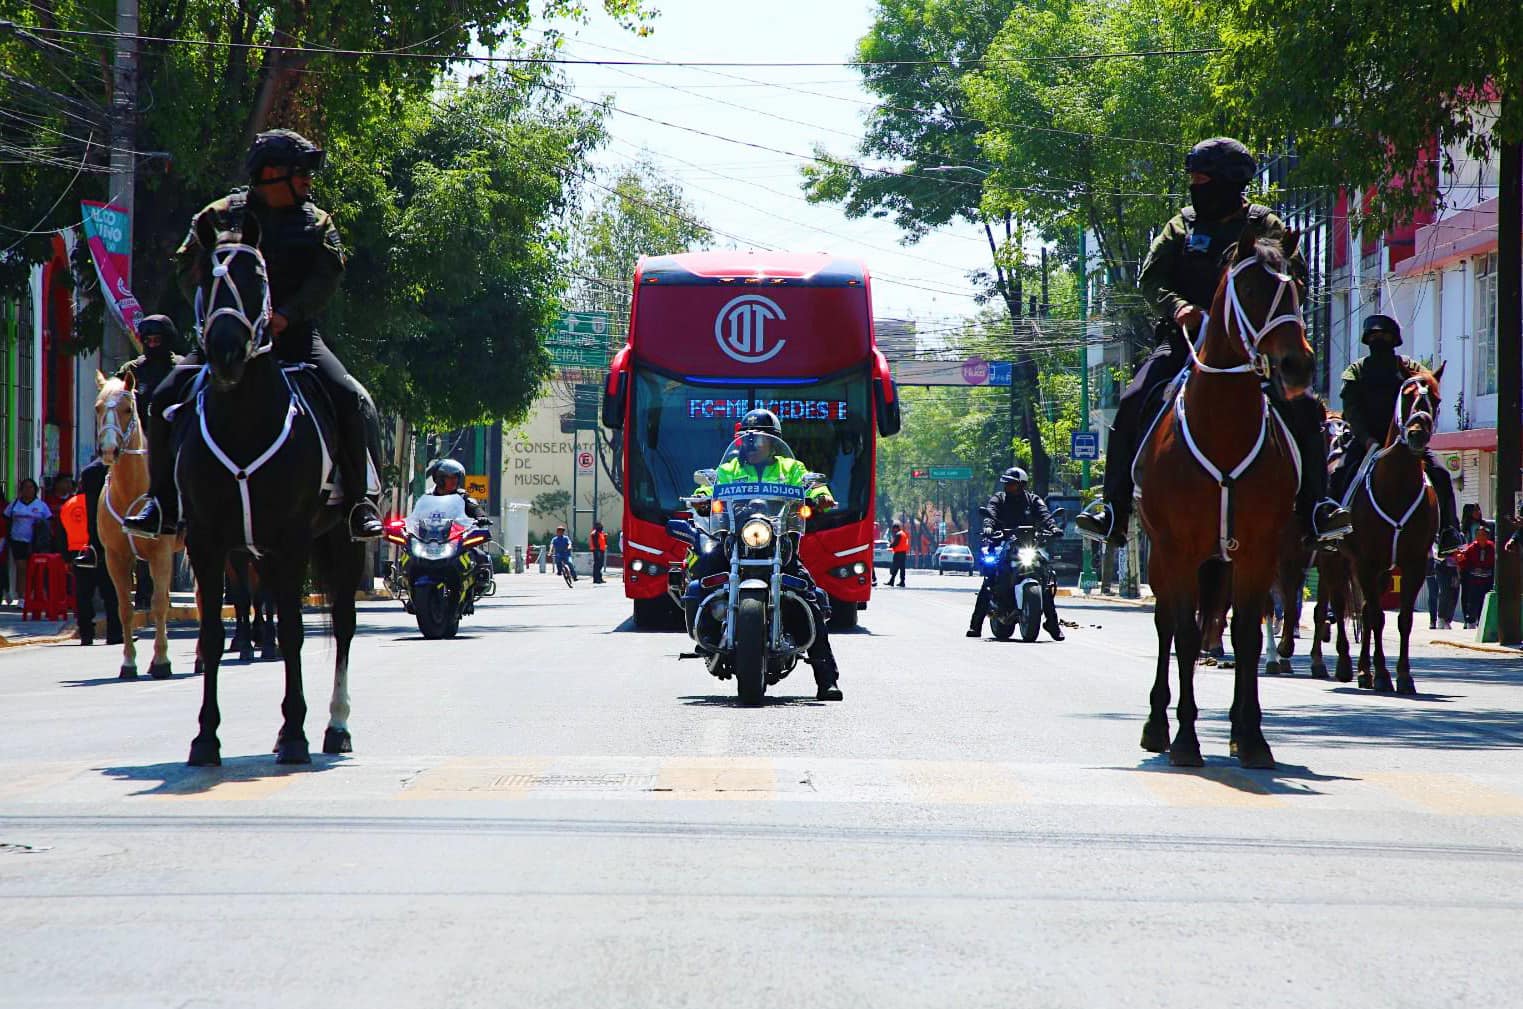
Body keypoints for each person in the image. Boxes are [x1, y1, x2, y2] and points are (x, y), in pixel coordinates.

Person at [1077, 136, 1350, 549]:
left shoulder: (1266, 226)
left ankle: (1316, 507)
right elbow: (1151, 280)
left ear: (1227, 182)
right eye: (1193, 178)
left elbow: (1295, 281)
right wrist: (1180, 307)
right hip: (1185, 341)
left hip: (1255, 348)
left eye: (1202, 178)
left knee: (1305, 407)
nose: (1194, 185)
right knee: (1134, 398)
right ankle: (1113, 508)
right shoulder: (1181, 225)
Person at [125, 128, 383, 542]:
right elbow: (186, 267)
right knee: (160, 402)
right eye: (300, 173)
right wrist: (217, 314)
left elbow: (326, 278)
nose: (307, 182)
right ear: (271, 172)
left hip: (293, 338)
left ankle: (357, 503)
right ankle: (161, 504)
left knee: (350, 397)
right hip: (224, 341)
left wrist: (286, 314)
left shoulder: (317, 222)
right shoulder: (216, 216)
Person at [685, 408, 844, 701]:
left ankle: (826, 679)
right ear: (741, 442)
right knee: (702, 574)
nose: (755, 444)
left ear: (774, 442)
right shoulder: (730, 469)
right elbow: (710, 486)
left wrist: (821, 495)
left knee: (809, 596)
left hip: (778, 540)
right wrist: (703, 497)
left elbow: (813, 483)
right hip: (736, 537)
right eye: (749, 439)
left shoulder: (791, 467)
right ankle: (706, 638)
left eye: (763, 439)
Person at [1334, 314, 1463, 551]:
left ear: (1394, 340)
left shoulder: (1410, 368)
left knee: (1441, 474)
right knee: (1339, 472)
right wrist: (1367, 440)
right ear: (1367, 340)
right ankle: (1330, 527)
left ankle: (1449, 531)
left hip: (1407, 440)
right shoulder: (1356, 371)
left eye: (1384, 335)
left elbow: (1427, 391)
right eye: (1374, 335)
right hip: (1366, 441)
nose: (1379, 339)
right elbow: (1351, 410)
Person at [968, 467, 1065, 640]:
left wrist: (1054, 528)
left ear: (1021, 485)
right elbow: (990, 513)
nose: (1008, 486)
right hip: (1004, 542)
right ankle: (976, 625)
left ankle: (1052, 624)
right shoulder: (999, 498)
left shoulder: (1033, 500)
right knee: (990, 579)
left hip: (1029, 545)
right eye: (1006, 483)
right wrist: (989, 527)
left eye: (1012, 484)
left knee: (1043, 582)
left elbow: (1045, 516)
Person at [64, 458, 123, 645]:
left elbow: (61, 532)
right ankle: (115, 634)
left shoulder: (69, 504)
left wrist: (67, 557)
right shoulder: (110, 505)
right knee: (111, 595)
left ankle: (86, 635)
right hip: (104, 549)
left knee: (83, 597)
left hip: (79, 554)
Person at [4, 479, 53, 607]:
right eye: (25, 487)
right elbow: (6, 519)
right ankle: (21, 597)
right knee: (21, 568)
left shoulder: (41, 505)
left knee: (36, 569)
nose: (28, 490)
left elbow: (49, 521)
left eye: (31, 487)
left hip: (36, 543)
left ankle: (35, 595)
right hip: (18, 541)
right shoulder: (14, 505)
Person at [1455, 523, 1496, 629]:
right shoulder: (1472, 548)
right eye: (1479, 535)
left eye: (1483, 535)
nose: (1481, 537)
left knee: (1484, 601)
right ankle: (1471, 623)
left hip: (1487, 580)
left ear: (1487, 536)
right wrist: (1460, 559)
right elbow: (1464, 561)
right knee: (1472, 601)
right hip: (1474, 580)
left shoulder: (1491, 547)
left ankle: (1482, 622)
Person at [885, 521, 909, 587]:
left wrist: (890, 545)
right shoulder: (903, 534)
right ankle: (899, 582)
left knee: (895, 567)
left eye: (893, 529)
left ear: (896, 528)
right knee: (901, 568)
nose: (893, 530)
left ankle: (893, 581)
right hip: (903, 553)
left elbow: (895, 543)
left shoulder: (898, 534)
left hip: (898, 553)